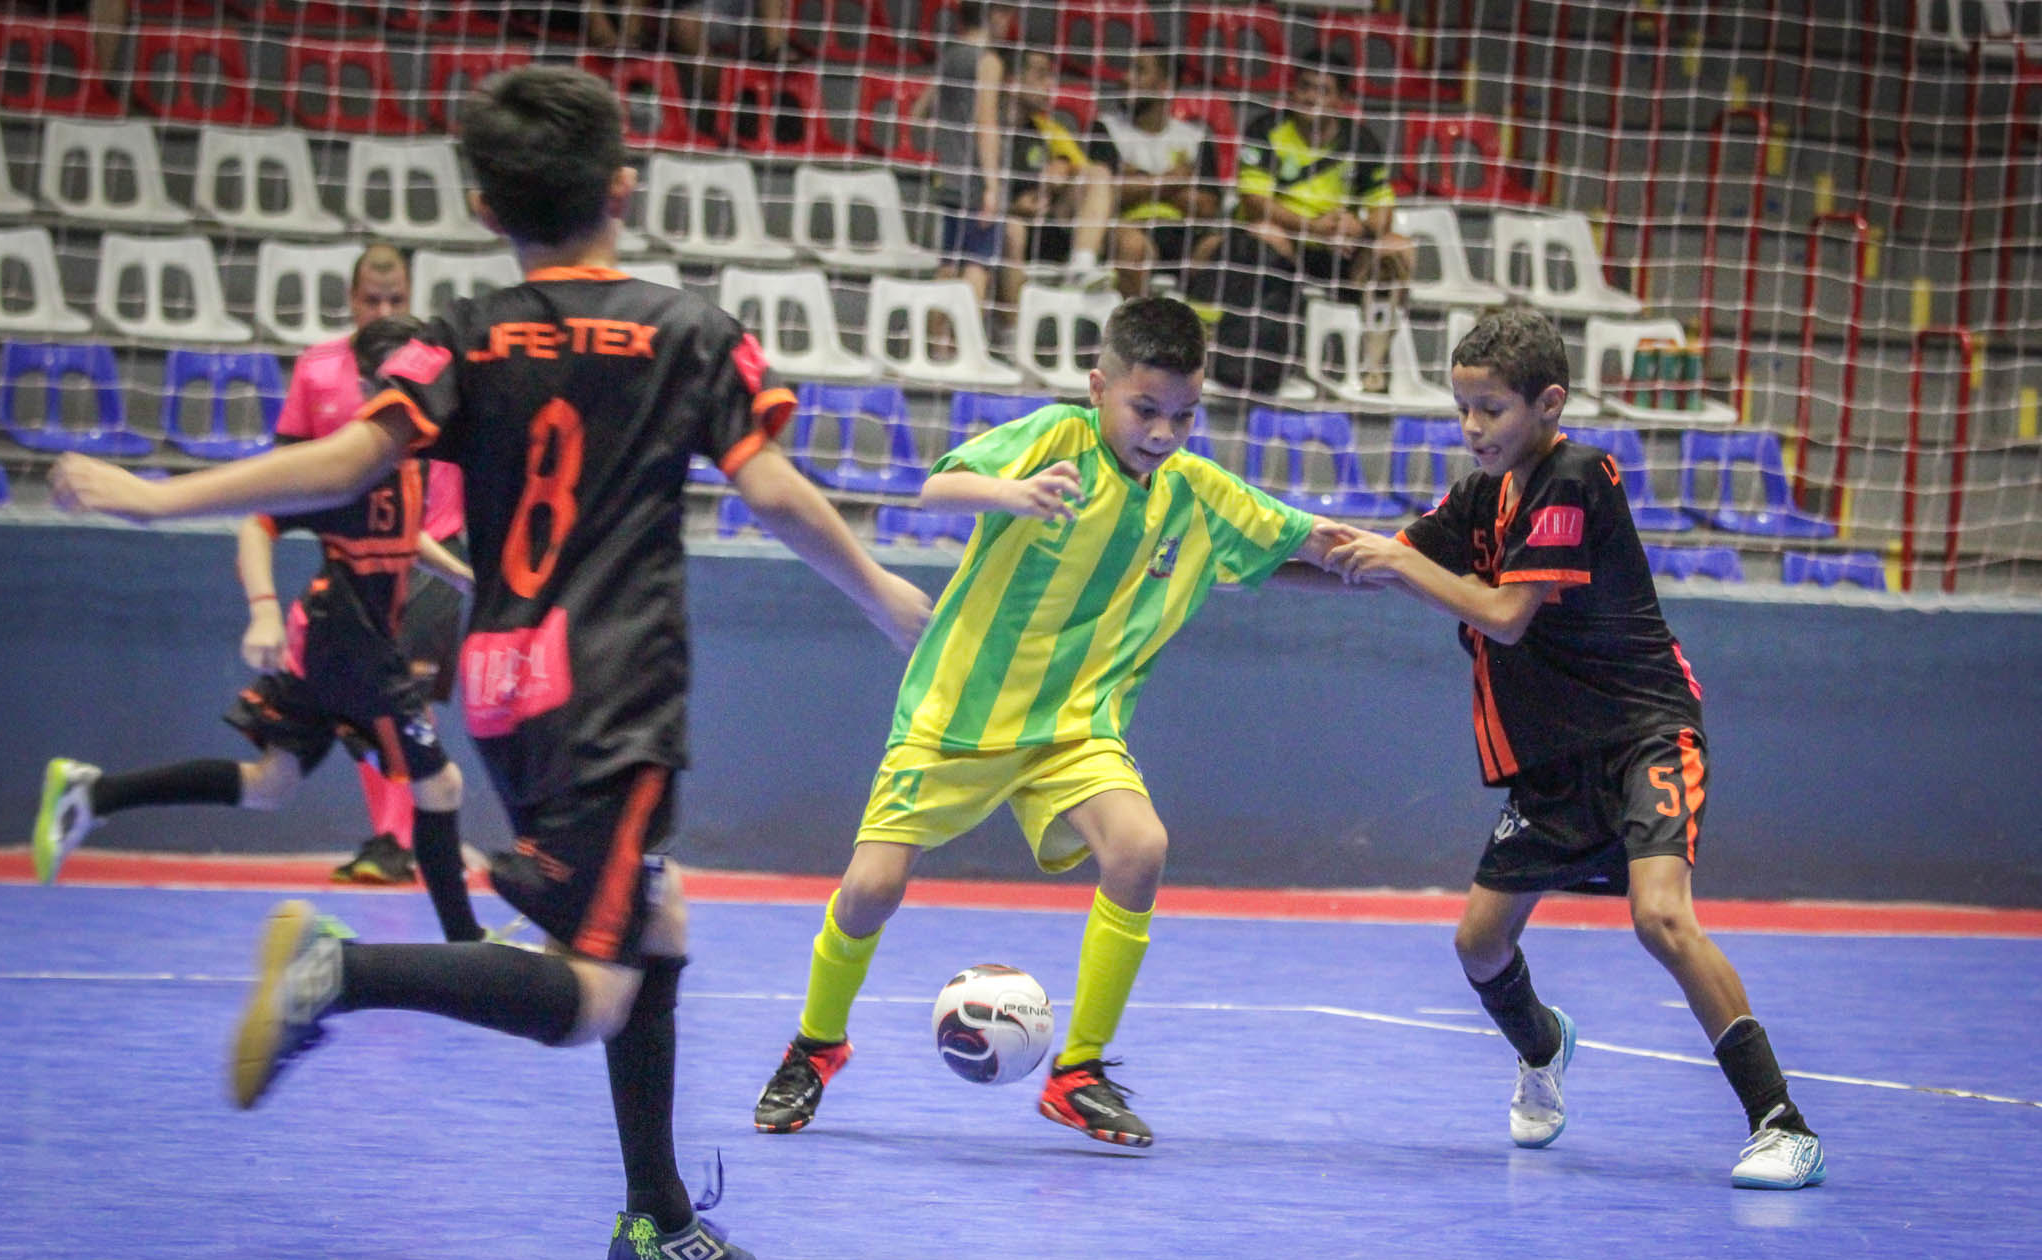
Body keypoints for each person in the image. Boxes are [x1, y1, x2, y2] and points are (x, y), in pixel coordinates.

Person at [50, 64, 933, 1260]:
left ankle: (654, 1218)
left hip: (504, 683)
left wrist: (158, 497)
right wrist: (882, 594)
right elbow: (770, 489)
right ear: (624, 185)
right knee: (595, 992)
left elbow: (343, 460)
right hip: (618, 693)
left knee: (655, 922)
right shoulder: (689, 332)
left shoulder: (456, 334)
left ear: (481, 205)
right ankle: (338, 968)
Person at [751, 296, 1355, 1149]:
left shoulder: (1195, 491)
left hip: (1073, 725)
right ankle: (815, 1045)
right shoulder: (1056, 437)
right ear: (1099, 386)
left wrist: (1426, 568)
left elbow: (1313, 543)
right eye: (1145, 410)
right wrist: (1014, 493)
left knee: (1140, 846)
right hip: (955, 711)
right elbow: (936, 483)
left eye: (1184, 414)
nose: (1164, 432)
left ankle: (1078, 1072)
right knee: (872, 889)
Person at [1324, 307, 1826, 1190]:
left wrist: (1397, 563)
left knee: (1660, 916)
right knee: (1479, 945)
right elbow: (1365, 561)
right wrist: (1226, 554)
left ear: (1549, 404)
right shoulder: (1482, 497)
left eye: (1492, 410)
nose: (1474, 428)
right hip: (1553, 765)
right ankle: (1545, 1044)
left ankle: (1781, 1121)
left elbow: (1507, 617)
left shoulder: (1578, 475)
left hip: (1644, 733)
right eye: (1463, 409)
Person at [33, 314, 489, 947]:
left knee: (268, 787)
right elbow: (259, 523)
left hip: (338, 645)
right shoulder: (343, 465)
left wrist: (460, 576)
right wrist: (265, 607)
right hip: (349, 643)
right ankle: (465, 945)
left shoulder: (407, 466)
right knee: (442, 784)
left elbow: (403, 535)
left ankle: (96, 794)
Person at [272, 241, 465, 889]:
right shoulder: (318, 369)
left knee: (405, 699)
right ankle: (391, 835)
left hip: (436, 546)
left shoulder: (437, 366)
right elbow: (287, 464)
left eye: (395, 300)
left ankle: (400, 839)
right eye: (371, 299)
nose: (382, 308)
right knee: (366, 706)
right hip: (357, 563)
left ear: (410, 300)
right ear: (352, 300)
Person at [1193, 54, 1414, 393]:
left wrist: (1360, 228)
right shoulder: (1266, 129)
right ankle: (1255, 353)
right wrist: (1313, 228)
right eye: (1305, 88)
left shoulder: (1361, 141)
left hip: (1337, 250)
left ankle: (1372, 366)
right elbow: (1255, 203)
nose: (1311, 97)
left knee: (1398, 248)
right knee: (1266, 233)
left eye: (1323, 90)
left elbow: (1382, 205)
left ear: (1340, 100)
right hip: (1283, 245)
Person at [1086, 43, 1221, 301]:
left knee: (1217, 247)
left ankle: (1199, 332)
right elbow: (1111, 193)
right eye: (1128, 69)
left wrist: (1142, 181)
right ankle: (1135, 327)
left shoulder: (1195, 137)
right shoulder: (1106, 129)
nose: (1126, 78)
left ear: (1166, 84)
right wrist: (1174, 182)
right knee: (1131, 246)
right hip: (1130, 226)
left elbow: (1207, 206)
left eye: (1139, 71)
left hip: (1184, 233)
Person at [998, 48, 1118, 308]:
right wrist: (1011, 209)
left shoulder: (1048, 130)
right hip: (1000, 232)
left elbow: (1083, 170)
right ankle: (1008, 335)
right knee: (1012, 230)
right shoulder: (982, 131)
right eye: (1041, 76)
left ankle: (1082, 266)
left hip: (1048, 227)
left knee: (1098, 174)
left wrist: (1065, 171)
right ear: (1011, 81)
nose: (1051, 85)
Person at [927, 3, 1020, 315]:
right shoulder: (988, 60)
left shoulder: (949, 56)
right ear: (991, 14)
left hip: (948, 175)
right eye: (1005, 12)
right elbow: (986, 124)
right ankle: (966, 348)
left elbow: (920, 112)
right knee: (977, 265)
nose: (1010, 21)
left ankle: (937, 349)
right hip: (976, 181)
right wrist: (992, 187)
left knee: (947, 264)